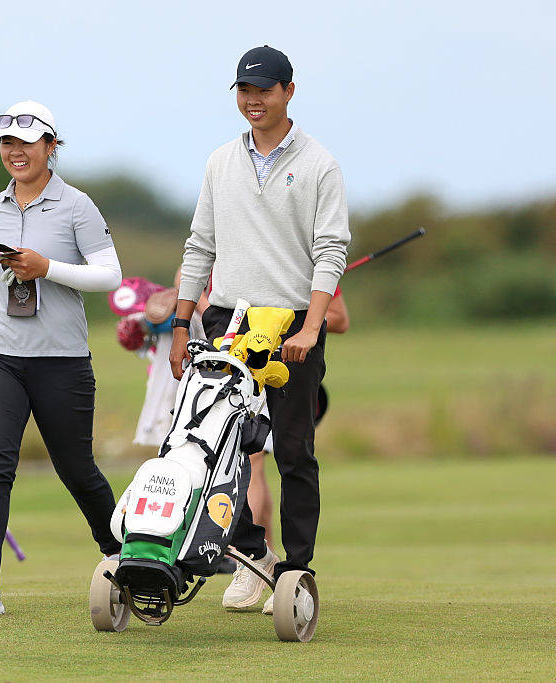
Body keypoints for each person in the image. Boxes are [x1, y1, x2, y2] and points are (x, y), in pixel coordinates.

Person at [170, 46, 350, 616]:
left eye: (264, 90)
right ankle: (254, 556)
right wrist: (182, 323)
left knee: (293, 448)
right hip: (230, 318)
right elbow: (200, 246)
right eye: (244, 91)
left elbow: (330, 251)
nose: (253, 100)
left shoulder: (319, 163)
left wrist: (313, 326)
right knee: (221, 447)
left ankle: (297, 568)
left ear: (288, 91)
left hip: (296, 321)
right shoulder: (220, 161)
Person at [0, 101, 124, 616]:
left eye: (27, 144)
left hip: (61, 359)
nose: (16, 153)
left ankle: (122, 555)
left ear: (51, 147)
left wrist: (47, 268)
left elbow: (109, 276)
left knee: (77, 469)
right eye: (7, 144)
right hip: (0, 355)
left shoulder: (77, 206)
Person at [245, 288, 349, 555]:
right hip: (240, 362)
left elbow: (339, 319)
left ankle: (257, 556)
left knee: (257, 461)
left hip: (283, 369)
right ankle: (258, 553)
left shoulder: (310, 269)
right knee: (247, 463)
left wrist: (304, 317)